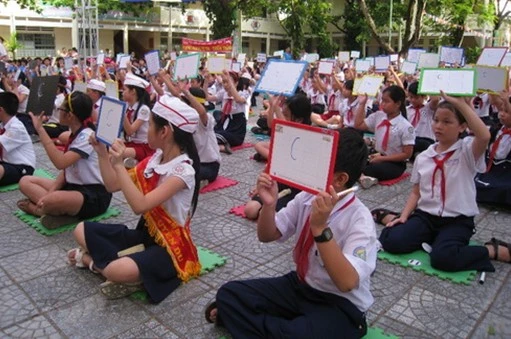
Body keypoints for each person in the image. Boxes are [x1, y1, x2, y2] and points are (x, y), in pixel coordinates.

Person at [207, 128, 377, 338]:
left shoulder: (360, 219)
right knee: (229, 293)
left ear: (340, 179)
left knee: (295, 333)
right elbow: (267, 235)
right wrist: (269, 205)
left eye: (319, 165)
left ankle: (261, 324)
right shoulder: (306, 197)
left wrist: (320, 229)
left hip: (340, 304)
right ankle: (278, 326)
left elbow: (347, 282)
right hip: (301, 287)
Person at [67, 96, 202, 303]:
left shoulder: (183, 172)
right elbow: (112, 185)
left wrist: (120, 165)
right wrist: (102, 154)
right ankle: (132, 272)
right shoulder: (152, 160)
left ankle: (91, 262)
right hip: (145, 234)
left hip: (169, 247)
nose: (146, 130)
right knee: (81, 229)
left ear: (164, 132)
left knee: (115, 270)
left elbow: (140, 206)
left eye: (150, 126)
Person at [376, 92, 508, 273]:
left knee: (443, 259)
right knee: (391, 241)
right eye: (436, 120)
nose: (439, 126)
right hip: (426, 216)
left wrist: (461, 104)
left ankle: (493, 250)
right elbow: (416, 192)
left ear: (462, 127)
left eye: (447, 122)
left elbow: (484, 136)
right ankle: (414, 226)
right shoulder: (423, 157)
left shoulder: (467, 152)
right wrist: (405, 216)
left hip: (457, 220)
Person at [17, 92, 112, 229]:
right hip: (72, 187)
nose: (58, 112)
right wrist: (52, 191)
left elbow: (60, 162)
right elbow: (66, 169)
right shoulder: (75, 133)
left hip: (93, 195)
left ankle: (39, 210)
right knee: (25, 181)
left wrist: (40, 129)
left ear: (70, 116)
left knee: (52, 200)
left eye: (61, 109)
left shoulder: (87, 137)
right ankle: (57, 211)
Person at [355, 85, 415, 188]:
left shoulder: (405, 126)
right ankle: (362, 176)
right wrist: (362, 104)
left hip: (395, 163)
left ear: (398, 104)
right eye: (382, 100)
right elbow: (358, 125)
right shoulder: (379, 116)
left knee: (373, 169)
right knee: (352, 158)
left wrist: (383, 159)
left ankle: (362, 175)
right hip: (377, 155)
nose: (382, 104)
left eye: (387, 101)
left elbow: (407, 154)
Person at [475, 91, 511, 207]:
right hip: (491, 170)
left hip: (506, 173)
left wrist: (506, 101)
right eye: (501, 111)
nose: (501, 114)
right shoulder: (496, 129)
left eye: (506, 112)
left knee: (505, 189)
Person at [0, 92, 35, 186]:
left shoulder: (16, 127)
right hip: (6, 162)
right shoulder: (3, 124)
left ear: (1, 110)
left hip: (22, 167)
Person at [122, 73, 154, 166]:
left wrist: (121, 112)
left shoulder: (144, 109)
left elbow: (130, 131)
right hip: (132, 143)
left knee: (117, 152)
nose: (122, 92)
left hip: (144, 147)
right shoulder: (129, 106)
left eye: (125, 90)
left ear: (133, 92)